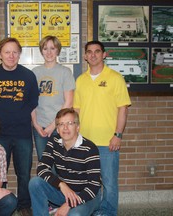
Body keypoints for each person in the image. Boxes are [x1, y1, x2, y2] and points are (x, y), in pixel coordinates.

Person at [0, 37, 39, 216]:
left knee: (24, 173)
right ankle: (0, 203)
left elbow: (33, 101)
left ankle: (24, 205)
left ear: (19, 54)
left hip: (22, 133)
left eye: (15, 52)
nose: (11, 56)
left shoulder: (28, 75)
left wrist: (18, 115)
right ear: (0, 54)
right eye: (7, 52)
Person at [73, 41, 131, 216]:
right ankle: (95, 210)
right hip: (84, 142)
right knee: (89, 181)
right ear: (85, 56)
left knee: (109, 182)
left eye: (97, 51)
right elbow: (76, 110)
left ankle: (108, 213)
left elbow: (123, 108)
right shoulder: (81, 80)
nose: (93, 54)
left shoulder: (115, 77)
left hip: (108, 142)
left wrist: (118, 135)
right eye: (89, 52)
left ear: (104, 54)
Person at [29, 108, 101, 216]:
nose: (65, 128)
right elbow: (41, 168)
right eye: (61, 124)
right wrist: (61, 185)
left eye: (70, 123)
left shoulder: (89, 148)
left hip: (87, 195)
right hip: (64, 192)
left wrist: (69, 204)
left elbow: (94, 186)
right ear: (57, 129)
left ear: (77, 127)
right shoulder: (54, 142)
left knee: (74, 215)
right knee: (35, 183)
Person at [31, 35, 75, 160]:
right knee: (44, 163)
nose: (49, 52)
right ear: (41, 51)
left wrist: (53, 125)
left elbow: (69, 102)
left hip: (60, 127)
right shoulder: (34, 73)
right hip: (40, 128)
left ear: (58, 50)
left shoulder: (65, 72)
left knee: (61, 164)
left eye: (52, 48)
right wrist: (35, 124)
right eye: (45, 49)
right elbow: (31, 102)